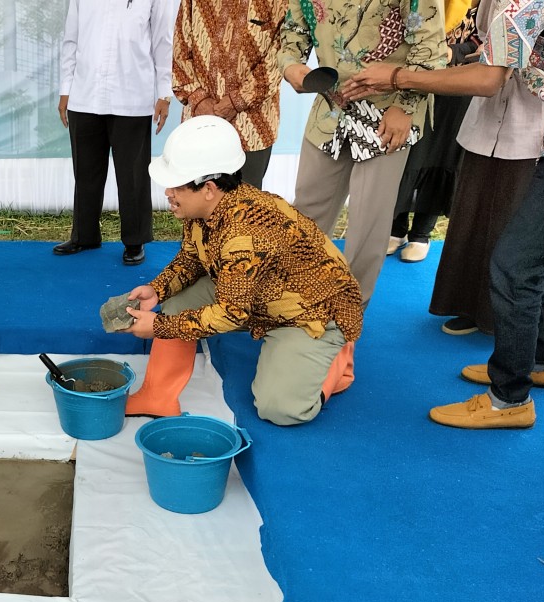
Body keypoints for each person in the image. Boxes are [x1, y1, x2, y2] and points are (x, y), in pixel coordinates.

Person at [344, 4, 544, 429]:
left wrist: (397, 77)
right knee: (532, 256)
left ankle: (508, 398)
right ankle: (540, 359)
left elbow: (487, 79)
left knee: (516, 263)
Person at [123, 117, 362, 426]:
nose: (168, 192)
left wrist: (160, 326)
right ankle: (157, 396)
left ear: (208, 188)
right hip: (257, 293)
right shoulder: (204, 207)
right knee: (177, 303)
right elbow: (192, 259)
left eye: (176, 185)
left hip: (311, 314)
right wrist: (158, 289)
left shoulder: (245, 233)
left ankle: (337, 358)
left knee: (280, 409)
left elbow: (232, 313)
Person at [347, 0, 544, 335]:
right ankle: (471, 307)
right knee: (474, 217)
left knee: (521, 238)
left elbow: (490, 77)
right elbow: (486, 50)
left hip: (537, 129)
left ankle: (514, 330)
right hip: (485, 122)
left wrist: (400, 78)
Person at [277, 0, 446, 304]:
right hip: (329, 108)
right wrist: (291, 66)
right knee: (306, 212)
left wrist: (405, 106)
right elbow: (293, 31)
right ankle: (293, 303)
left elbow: (430, 47)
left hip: (387, 114)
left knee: (368, 223)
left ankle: (347, 313)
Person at [54, 0, 174, 267]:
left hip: (132, 96)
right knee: (85, 172)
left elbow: (163, 41)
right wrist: (66, 89)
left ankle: (135, 240)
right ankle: (84, 236)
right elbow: (71, 39)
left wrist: (164, 93)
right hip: (85, 94)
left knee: (133, 176)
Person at [385, 0, 479, 264]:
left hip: (457, 84)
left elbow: (488, 40)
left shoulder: (488, 3)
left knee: (441, 157)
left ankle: (421, 234)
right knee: (406, 153)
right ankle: (396, 228)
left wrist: (453, 52)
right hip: (413, 79)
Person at [172, 0, 286, 187]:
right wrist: (199, 99)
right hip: (199, 121)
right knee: (197, 196)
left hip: (252, 126)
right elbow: (180, 48)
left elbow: (280, 57)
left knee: (246, 199)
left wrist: (237, 101)